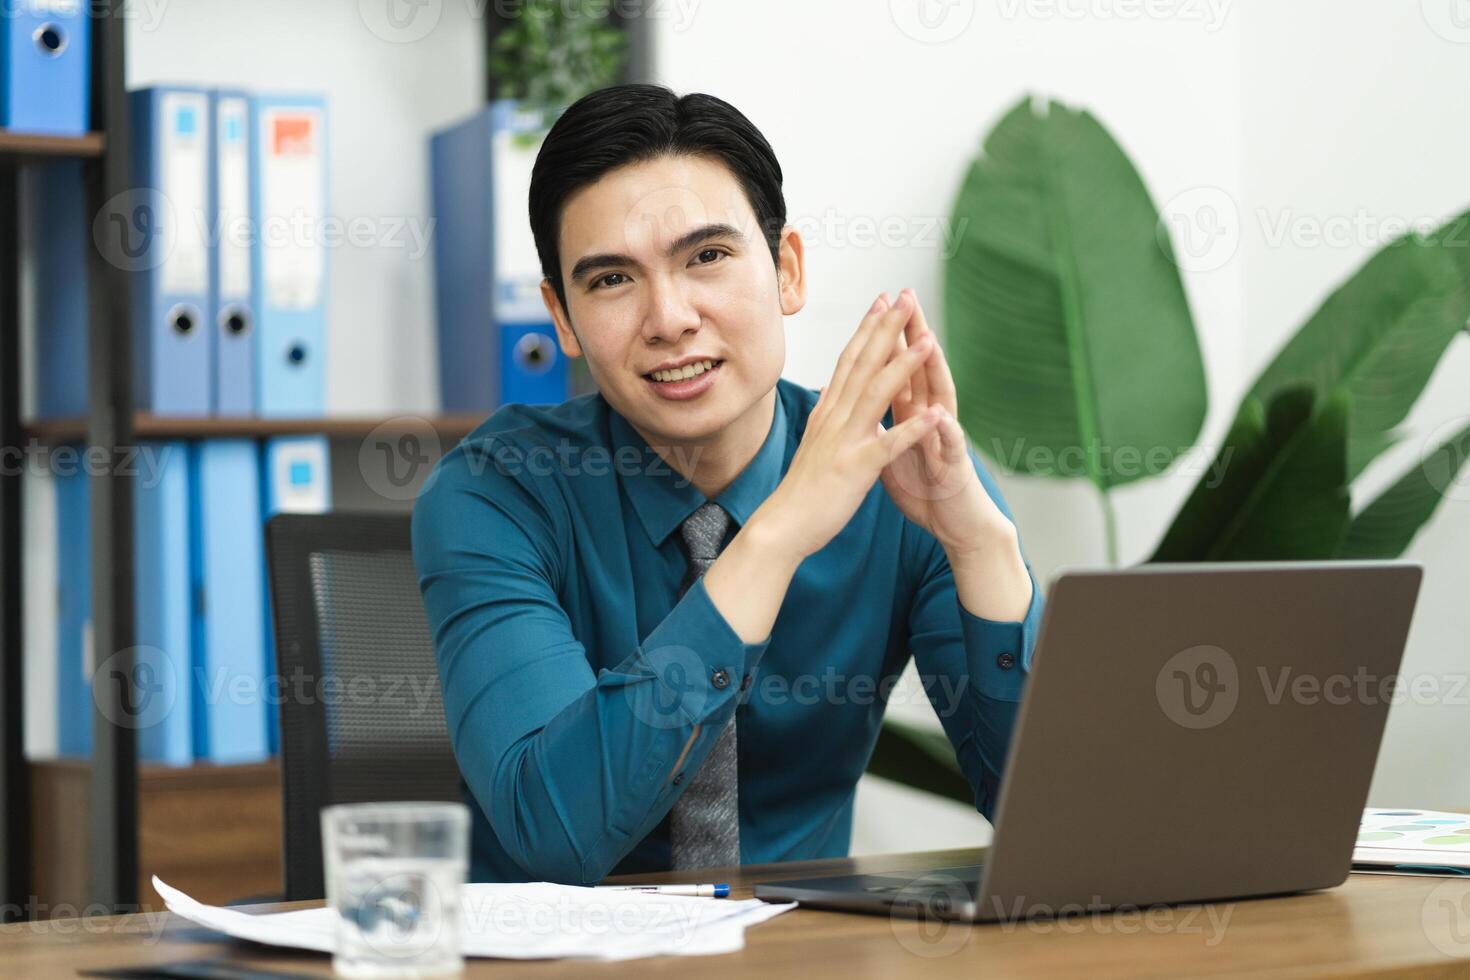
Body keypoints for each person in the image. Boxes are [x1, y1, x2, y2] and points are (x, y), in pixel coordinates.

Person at [412, 83, 1042, 884]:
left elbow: (1053, 815)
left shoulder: (900, 473)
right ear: (561, 316)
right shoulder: (495, 491)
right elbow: (554, 833)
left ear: (786, 270)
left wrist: (981, 541)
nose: (669, 317)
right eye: (611, 280)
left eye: (706, 257)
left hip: (800, 954)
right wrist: (776, 537)